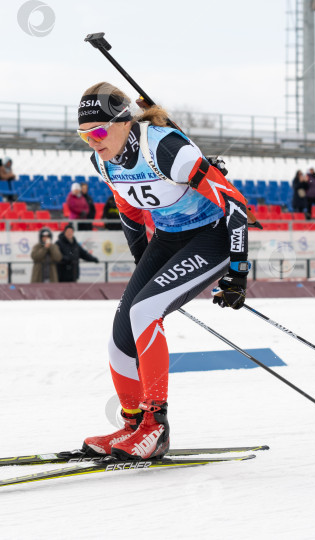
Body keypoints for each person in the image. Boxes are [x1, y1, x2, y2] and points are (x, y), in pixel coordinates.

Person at [76, 83, 250, 460]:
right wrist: (145, 266)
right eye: (84, 135)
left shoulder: (166, 148)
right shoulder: (102, 161)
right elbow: (132, 212)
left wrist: (237, 273)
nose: (93, 141)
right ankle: (132, 424)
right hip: (169, 238)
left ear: (124, 122)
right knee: (121, 333)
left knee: (144, 311)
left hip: (213, 236)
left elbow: (235, 204)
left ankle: (156, 427)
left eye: (100, 131)